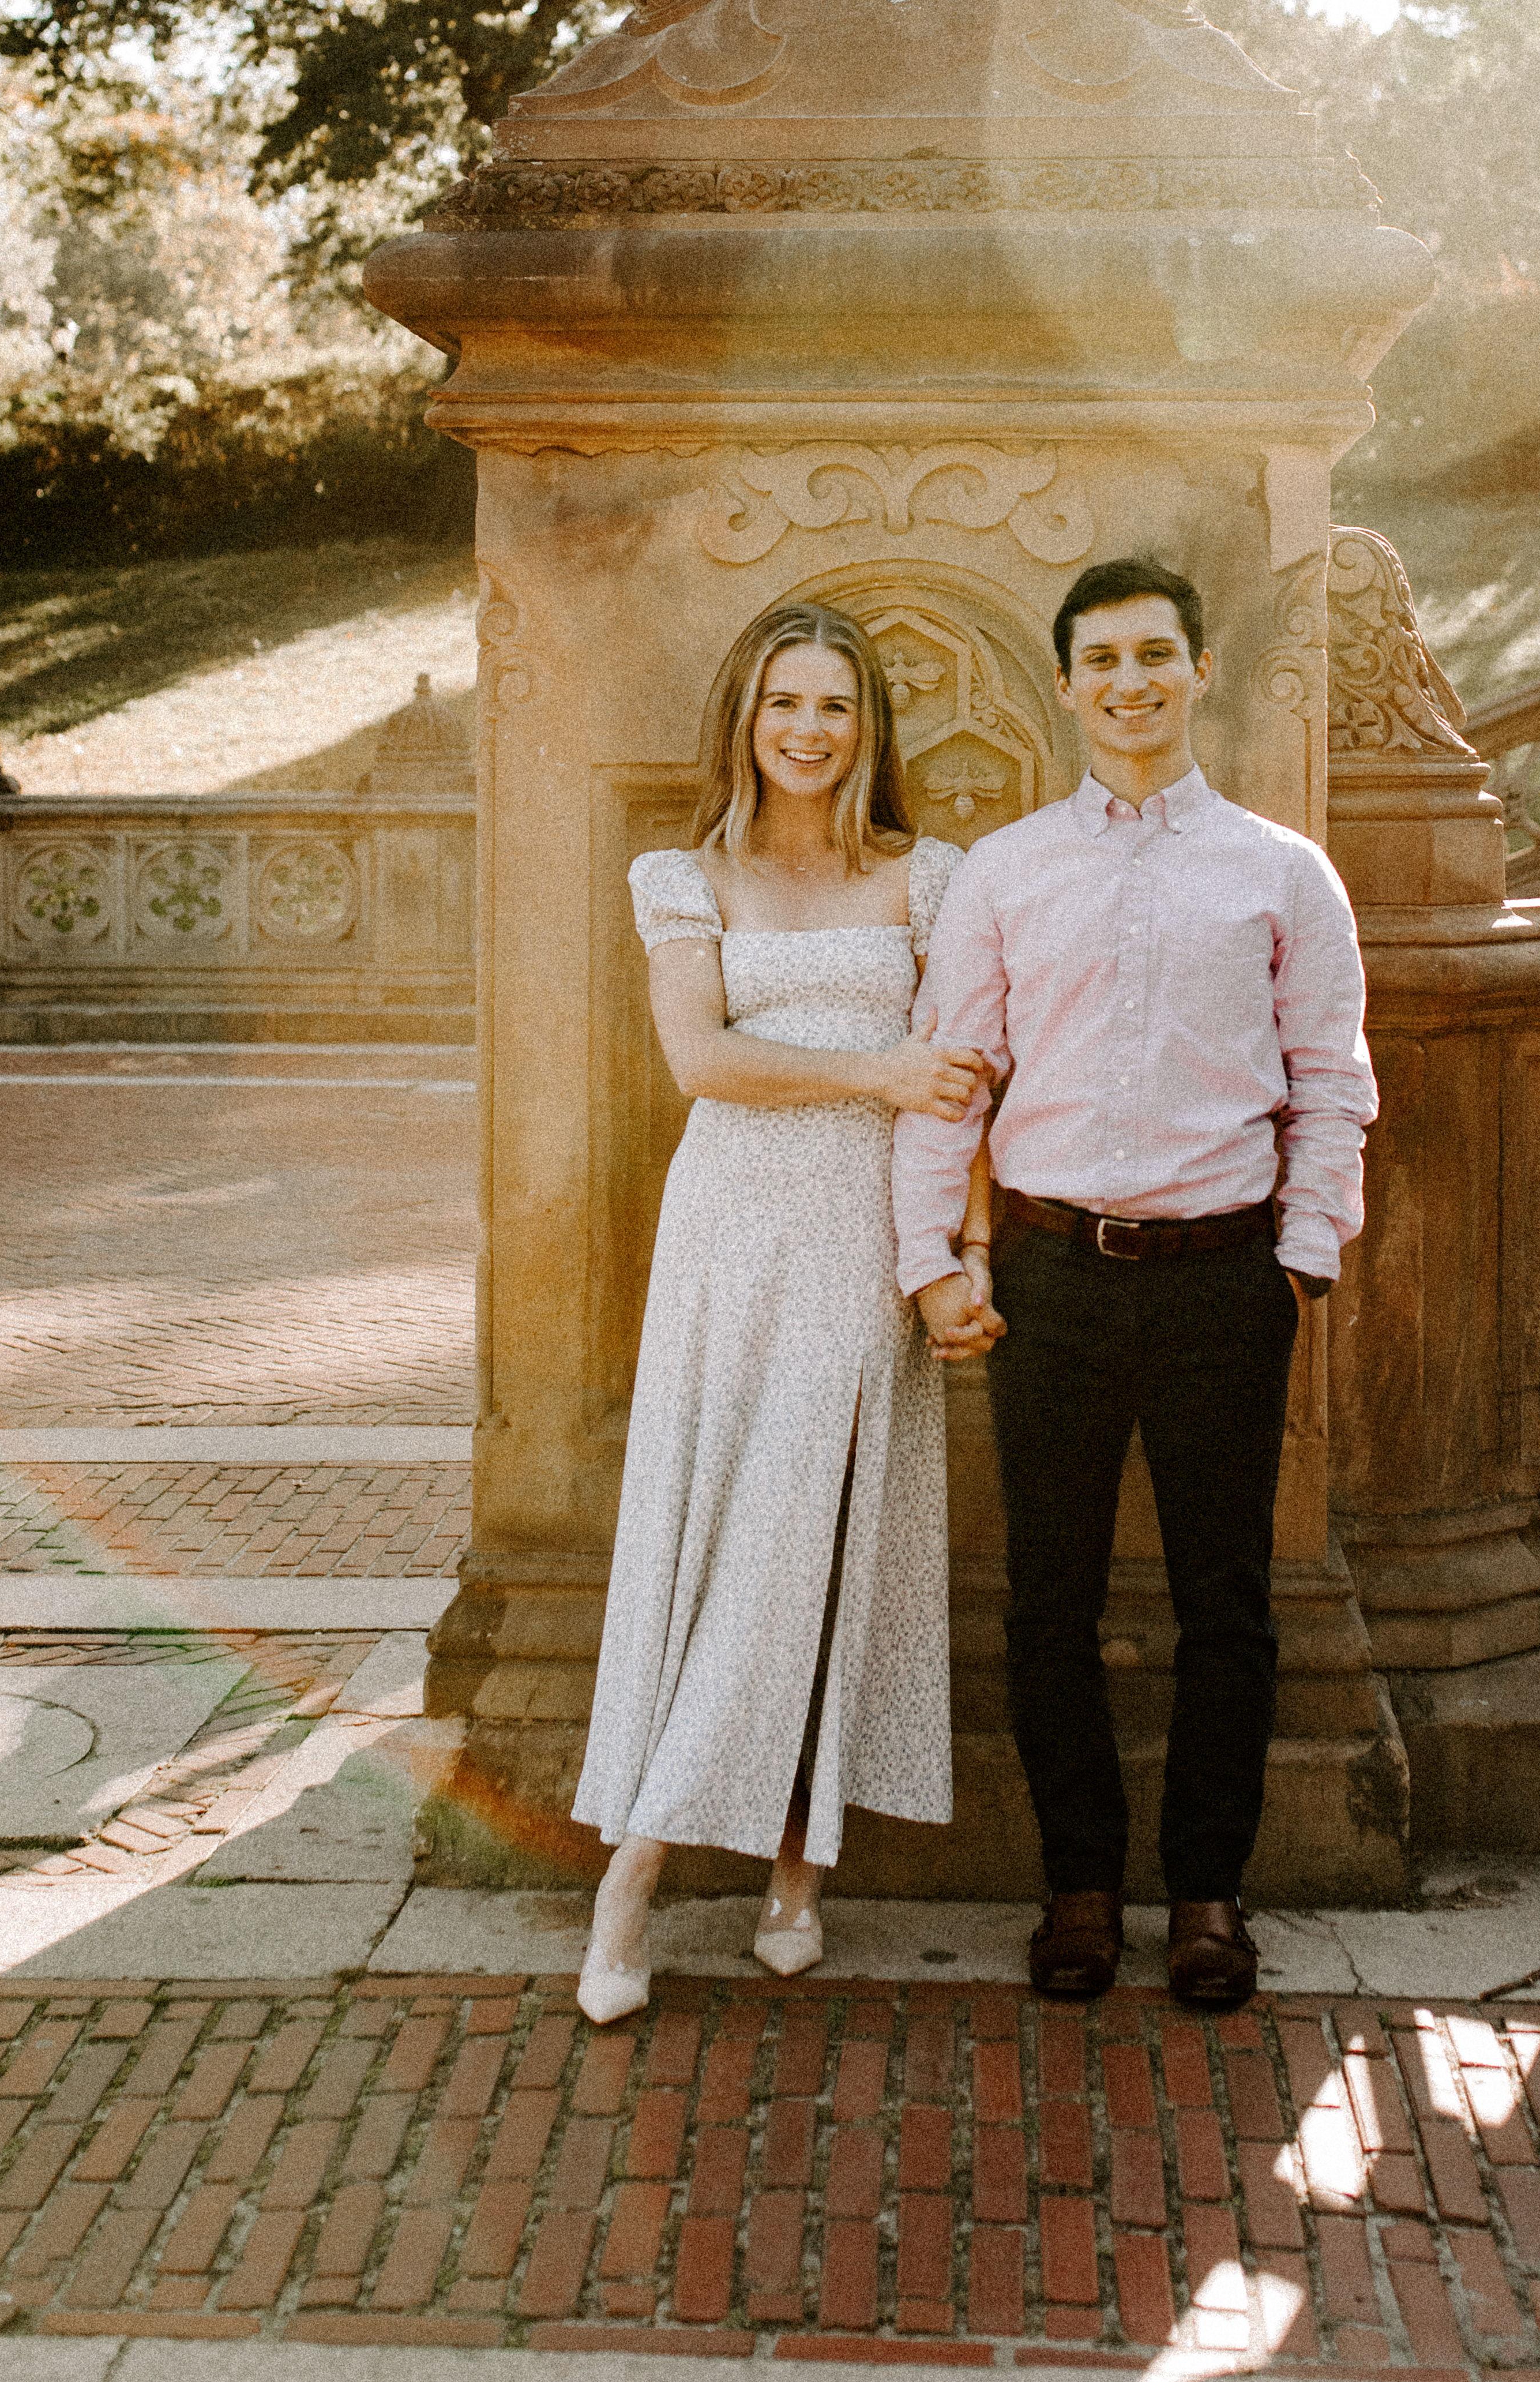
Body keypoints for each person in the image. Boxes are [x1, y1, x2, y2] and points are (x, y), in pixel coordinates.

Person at [892, 557, 1378, 2009]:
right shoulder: (1007, 870)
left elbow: (1329, 1079)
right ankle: (1081, 1886)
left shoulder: (1281, 870)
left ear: (1198, 667)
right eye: (1099, 659)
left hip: (1222, 1276)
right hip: (1050, 1276)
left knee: (1224, 1601)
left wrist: (1301, 1254)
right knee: (1049, 1599)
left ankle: (1211, 1895)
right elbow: (950, 1080)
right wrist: (931, 1261)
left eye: (1154, 654)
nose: (1129, 681)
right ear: (1063, 684)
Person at [572, 600, 1000, 2024]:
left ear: (867, 726)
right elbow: (699, 1057)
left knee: (821, 1532)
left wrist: (965, 1242)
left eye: (832, 706)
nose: (807, 730)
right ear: (743, 721)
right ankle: (632, 1870)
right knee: (720, 1527)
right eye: (781, 705)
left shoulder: (929, 878)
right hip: (726, 1233)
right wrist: (876, 1071)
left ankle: (797, 1867)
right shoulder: (683, 876)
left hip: (859, 1242)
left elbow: (969, 1080)